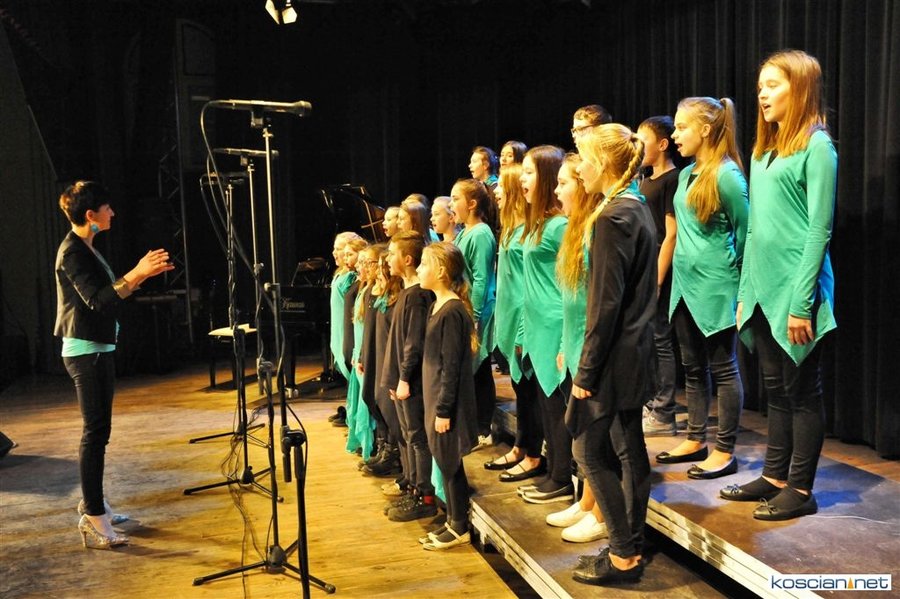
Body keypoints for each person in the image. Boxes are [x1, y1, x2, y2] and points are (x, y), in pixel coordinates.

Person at [721, 50, 838, 521]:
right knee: (776, 390)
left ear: (800, 87)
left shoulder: (817, 146)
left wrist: (801, 302)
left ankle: (801, 488)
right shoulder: (762, 151)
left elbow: (819, 230)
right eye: (760, 87)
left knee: (802, 390)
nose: (762, 94)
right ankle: (773, 476)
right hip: (762, 291)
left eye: (773, 85)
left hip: (797, 293)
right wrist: (745, 293)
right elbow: (754, 231)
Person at [55, 181, 173, 549]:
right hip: (85, 351)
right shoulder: (72, 252)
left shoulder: (86, 247)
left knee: (99, 432)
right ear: (90, 215)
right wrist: (137, 272)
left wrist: (142, 276)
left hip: (96, 348)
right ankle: (94, 516)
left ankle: (94, 504)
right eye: (107, 208)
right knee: (95, 433)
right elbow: (98, 301)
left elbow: (109, 295)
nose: (113, 213)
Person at [569, 125, 656, 585]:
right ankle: (630, 546)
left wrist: (586, 372)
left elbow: (605, 305)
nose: (579, 168)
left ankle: (623, 553)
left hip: (615, 357)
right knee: (628, 447)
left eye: (583, 159)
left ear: (602, 163)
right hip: (634, 351)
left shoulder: (613, 217)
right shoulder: (634, 206)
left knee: (587, 448)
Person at [655, 97, 749, 481]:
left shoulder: (727, 175)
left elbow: (746, 234)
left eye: (682, 127)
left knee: (723, 368)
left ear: (706, 130)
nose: (675, 135)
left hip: (715, 288)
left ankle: (725, 450)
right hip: (684, 287)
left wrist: (741, 289)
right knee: (692, 368)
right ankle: (695, 438)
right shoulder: (686, 175)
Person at [547, 153, 606, 543]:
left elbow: (597, 303)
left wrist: (584, 352)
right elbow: (569, 299)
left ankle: (601, 514)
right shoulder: (575, 228)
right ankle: (586, 502)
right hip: (574, 343)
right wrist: (564, 345)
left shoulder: (597, 227)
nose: (557, 191)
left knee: (597, 441)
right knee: (582, 435)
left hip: (592, 347)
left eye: (564, 183)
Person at [518, 145, 573, 505]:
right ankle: (554, 470)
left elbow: (572, 282)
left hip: (554, 324)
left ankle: (562, 476)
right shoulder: (538, 224)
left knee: (555, 405)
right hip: (537, 326)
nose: (522, 180)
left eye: (529, 172)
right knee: (544, 402)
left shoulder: (560, 226)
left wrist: (565, 339)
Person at [483, 164, 544, 481]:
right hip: (508, 324)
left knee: (530, 393)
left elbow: (526, 290)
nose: (495, 192)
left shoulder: (526, 233)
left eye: (502, 187)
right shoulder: (510, 229)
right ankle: (521, 446)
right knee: (521, 392)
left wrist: (521, 332)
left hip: (523, 325)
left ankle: (533, 455)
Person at [417, 242, 479, 550]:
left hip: (447, 403)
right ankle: (452, 519)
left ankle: (459, 525)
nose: (419, 270)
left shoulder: (453, 311)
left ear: (441, 271)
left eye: (424, 264)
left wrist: (443, 409)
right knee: (443, 459)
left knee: (450, 461)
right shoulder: (436, 306)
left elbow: (452, 366)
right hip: (434, 396)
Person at [381, 231, 437, 521]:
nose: (387, 259)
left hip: (411, 381)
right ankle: (413, 487)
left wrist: (403, 378)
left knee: (417, 438)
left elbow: (414, 343)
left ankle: (424, 496)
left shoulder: (417, 297)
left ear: (407, 259)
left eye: (392, 254)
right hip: (401, 380)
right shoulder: (406, 293)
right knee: (408, 435)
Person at [636, 116, 681, 437]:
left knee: (662, 340)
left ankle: (664, 411)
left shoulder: (672, 180)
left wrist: (658, 279)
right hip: (644, 268)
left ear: (663, 144)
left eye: (644, 141)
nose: (639, 147)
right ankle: (652, 401)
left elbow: (671, 234)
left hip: (660, 270)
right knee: (649, 340)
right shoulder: (645, 179)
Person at [450, 179, 498, 449]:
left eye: (456, 199)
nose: (452, 204)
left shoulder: (480, 234)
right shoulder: (465, 232)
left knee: (479, 368)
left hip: (477, 311)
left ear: (472, 204)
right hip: (465, 309)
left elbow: (481, 280)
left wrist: (474, 315)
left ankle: (483, 428)